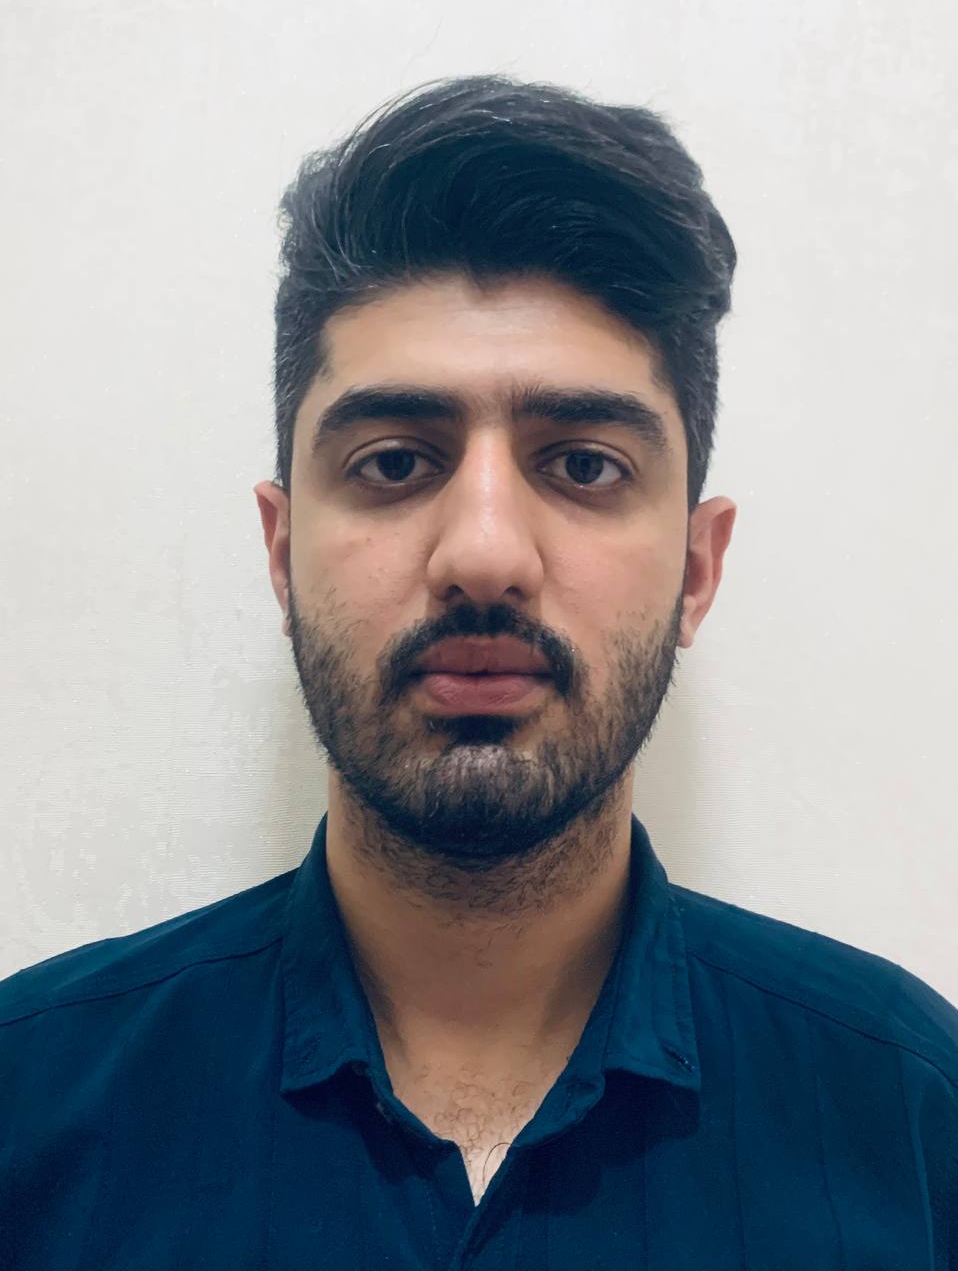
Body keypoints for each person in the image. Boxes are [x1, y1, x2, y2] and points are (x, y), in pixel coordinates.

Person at [1, 73, 955, 1271]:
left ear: (696, 569)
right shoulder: (27, 1105)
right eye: (396, 461)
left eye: (585, 464)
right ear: (283, 553)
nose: (486, 553)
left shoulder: (914, 1116)